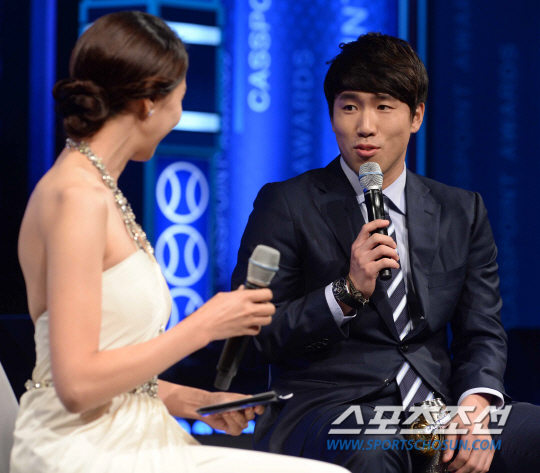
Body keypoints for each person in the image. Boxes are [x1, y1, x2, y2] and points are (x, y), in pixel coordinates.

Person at [10, 11, 348, 473]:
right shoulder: (77, 199)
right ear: (149, 102)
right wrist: (203, 326)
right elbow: (75, 385)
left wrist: (196, 401)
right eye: (180, 99)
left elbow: (112, 372)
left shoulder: (98, 190)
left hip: (129, 434)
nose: (180, 115)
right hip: (83, 449)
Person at [232, 33, 540, 472]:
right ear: (332, 114)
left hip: (435, 408)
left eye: (383, 106)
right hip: (330, 408)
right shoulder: (286, 204)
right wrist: (346, 291)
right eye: (349, 107)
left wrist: (475, 408)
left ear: (416, 116)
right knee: (375, 445)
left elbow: (481, 333)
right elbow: (255, 336)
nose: (365, 126)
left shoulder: (460, 210)